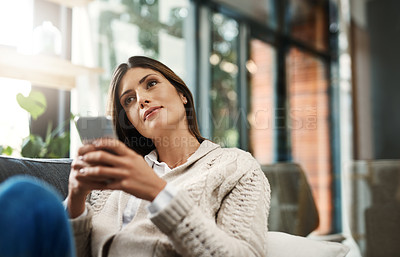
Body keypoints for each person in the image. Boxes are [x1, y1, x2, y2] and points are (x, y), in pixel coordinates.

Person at [67, 55, 271, 257]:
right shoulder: (111, 180)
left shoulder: (238, 167)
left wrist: (158, 193)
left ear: (182, 94)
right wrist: (76, 201)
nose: (141, 100)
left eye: (151, 83)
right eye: (129, 99)